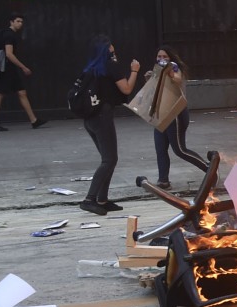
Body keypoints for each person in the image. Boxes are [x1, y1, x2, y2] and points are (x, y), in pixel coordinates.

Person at [78, 35, 140, 216]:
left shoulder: (91, 68)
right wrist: (134, 71)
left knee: (108, 159)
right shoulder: (110, 66)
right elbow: (127, 89)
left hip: (89, 118)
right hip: (102, 117)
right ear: (108, 49)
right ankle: (89, 199)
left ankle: (102, 199)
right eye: (112, 46)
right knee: (109, 160)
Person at [146, 45, 209, 189]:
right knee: (160, 148)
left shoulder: (174, 68)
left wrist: (169, 72)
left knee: (179, 149)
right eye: (159, 57)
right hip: (161, 113)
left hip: (175, 113)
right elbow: (153, 93)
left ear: (170, 58)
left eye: (164, 57)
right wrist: (149, 79)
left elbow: (178, 80)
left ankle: (208, 168)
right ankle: (163, 180)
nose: (161, 59)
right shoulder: (158, 71)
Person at [0, 14, 46, 131]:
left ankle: (34, 120)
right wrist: (23, 67)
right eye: (18, 21)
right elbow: (9, 54)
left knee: (21, 92)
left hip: (9, 68)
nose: (20, 24)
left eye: (21, 22)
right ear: (11, 22)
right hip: (7, 68)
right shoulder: (9, 35)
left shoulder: (9, 34)